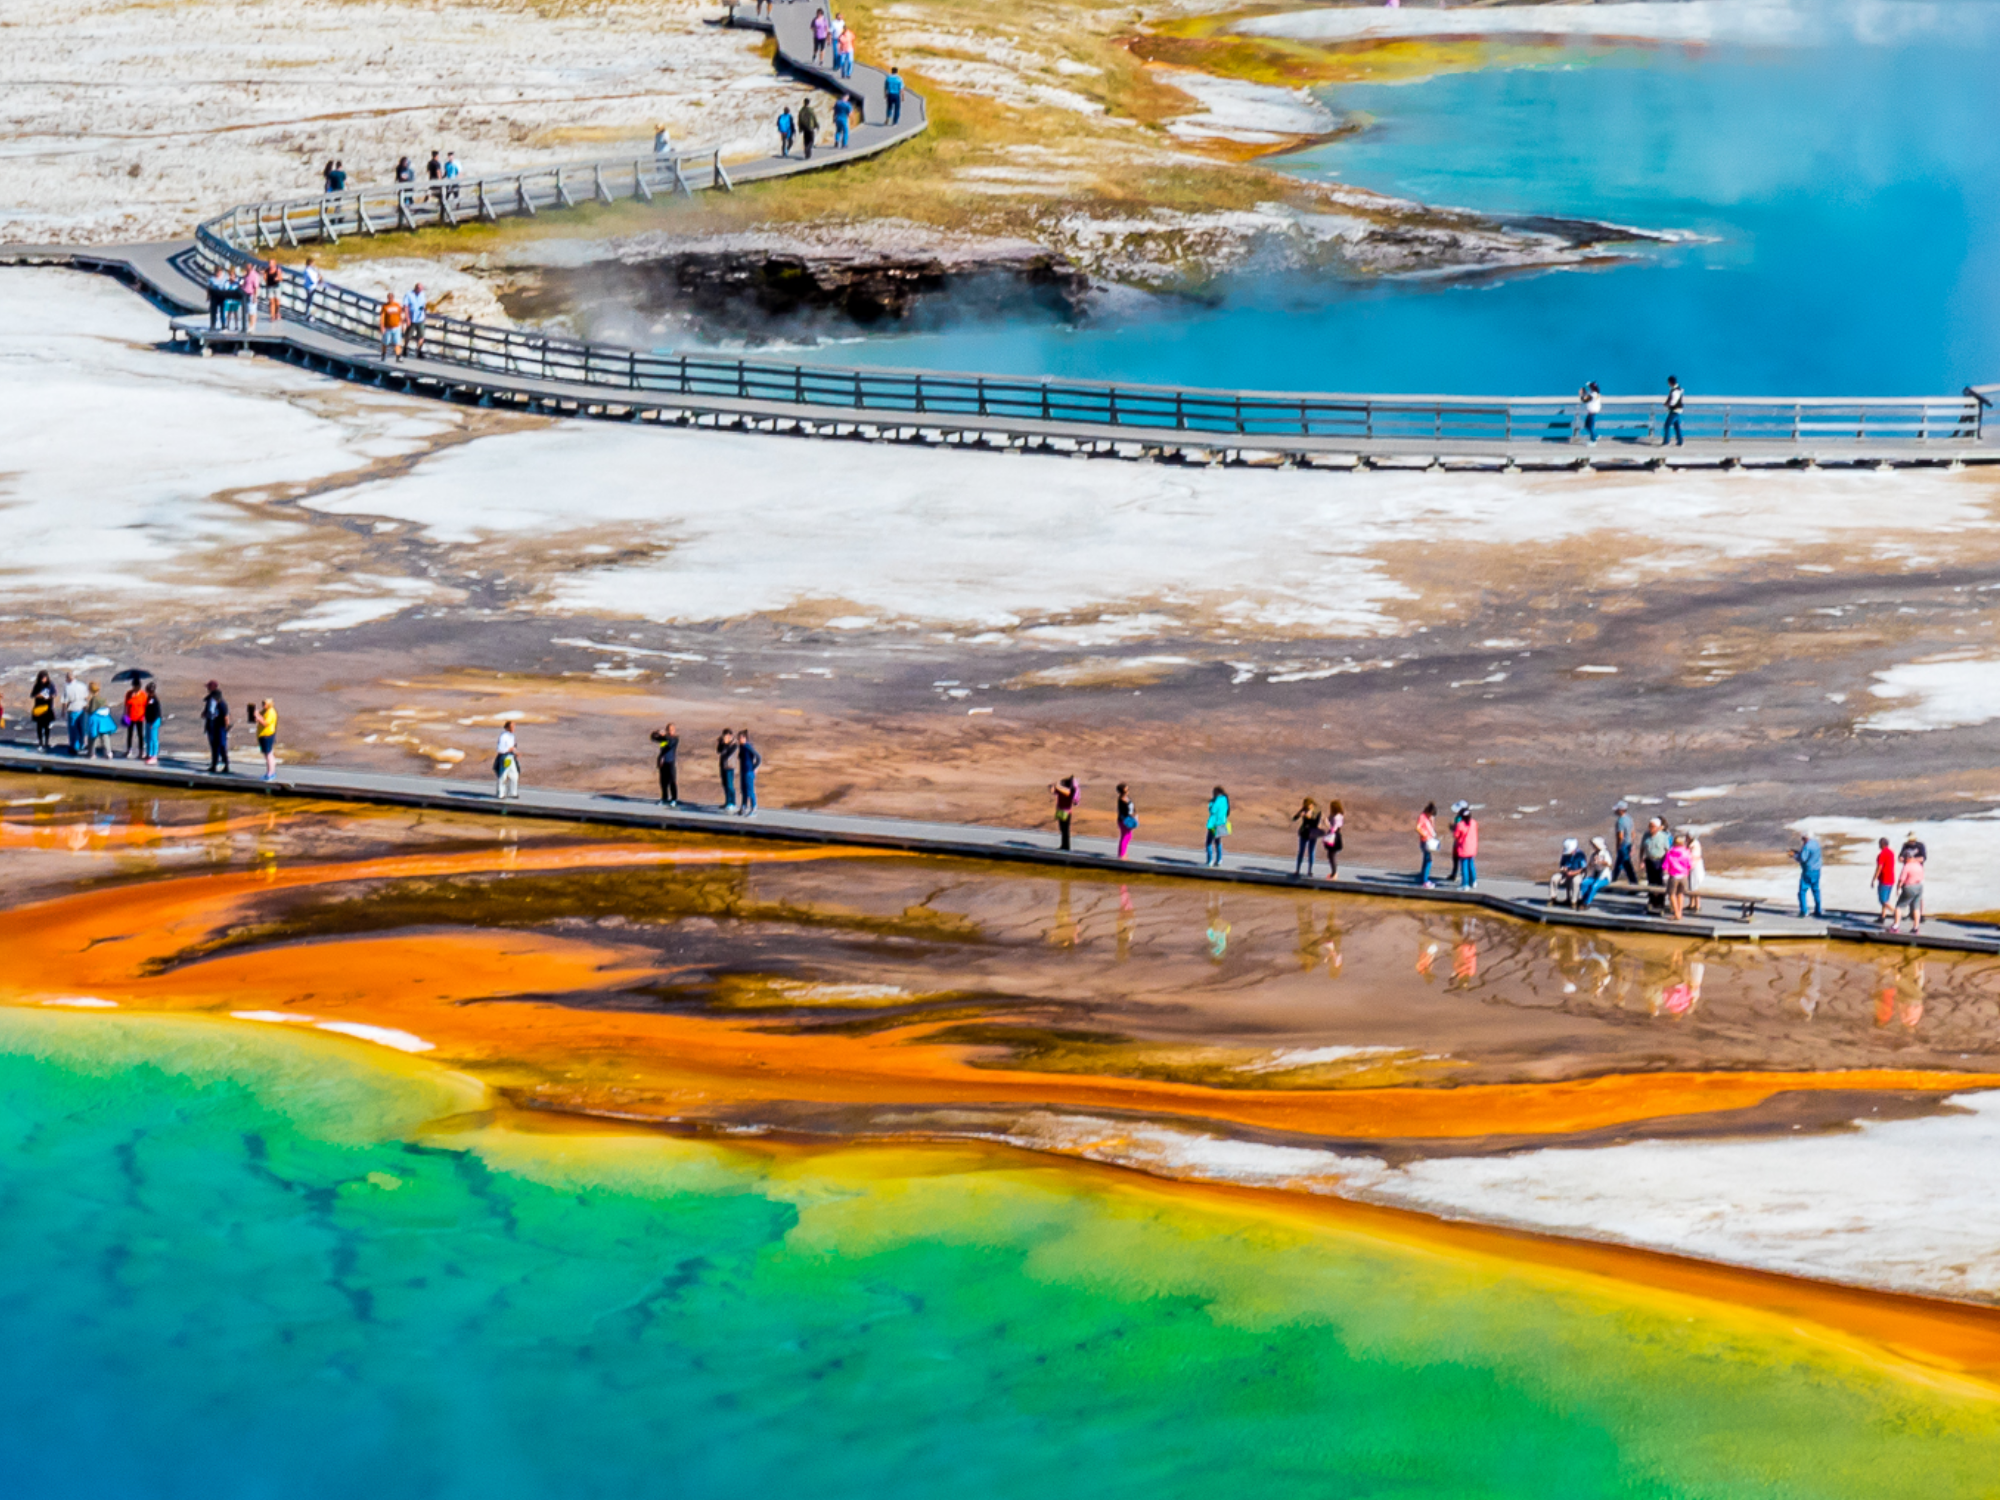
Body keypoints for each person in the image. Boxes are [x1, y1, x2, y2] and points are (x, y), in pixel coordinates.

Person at [1893, 841, 1926, 933]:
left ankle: (1895, 926)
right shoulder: (1919, 865)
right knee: (1916, 907)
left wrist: (1898, 888)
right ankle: (1916, 927)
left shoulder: (1907, 866)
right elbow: (1922, 876)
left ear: (1907, 857)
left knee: (1899, 906)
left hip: (1909, 887)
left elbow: (1902, 879)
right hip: (1919, 886)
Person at [1640, 817, 1670, 912]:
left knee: (1660, 882)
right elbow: (1642, 848)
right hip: (1649, 860)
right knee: (1651, 881)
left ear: (1657, 828)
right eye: (1650, 826)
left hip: (1659, 861)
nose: (1650, 828)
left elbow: (1667, 851)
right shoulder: (1646, 835)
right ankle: (1652, 901)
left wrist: (1667, 864)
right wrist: (1641, 860)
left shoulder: (1663, 836)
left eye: (1652, 827)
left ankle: (1660, 903)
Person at [1793, 831, 1825, 918]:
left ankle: (1804, 911)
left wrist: (1794, 855)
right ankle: (1818, 910)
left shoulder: (1807, 846)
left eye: (1803, 838)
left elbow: (1803, 858)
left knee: (1802, 891)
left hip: (1808, 871)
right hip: (1817, 870)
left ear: (1806, 838)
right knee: (1816, 890)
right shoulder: (1816, 844)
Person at [1662, 834, 1694, 920]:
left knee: (1672, 894)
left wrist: (1666, 871)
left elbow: (1665, 865)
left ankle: (1676, 913)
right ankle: (1680, 912)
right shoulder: (1686, 852)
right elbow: (1690, 864)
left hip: (1674, 876)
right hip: (1684, 876)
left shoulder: (1670, 852)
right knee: (1681, 894)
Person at [201, 681, 231, 772]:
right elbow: (205, 712)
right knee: (215, 746)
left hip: (218, 726)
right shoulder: (212, 699)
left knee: (220, 746)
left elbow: (226, 716)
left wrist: (226, 727)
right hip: (212, 725)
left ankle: (224, 765)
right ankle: (215, 765)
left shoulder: (220, 702)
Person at [1578, 837, 1614, 909]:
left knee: (1594, 886)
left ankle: (1586, 903)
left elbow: (1609, 864)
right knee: (1584, 883)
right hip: (1595, 875)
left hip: (1604, 877)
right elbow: (1589, 865)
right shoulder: (1594, 855)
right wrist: (1592, 863)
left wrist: (1601, 862)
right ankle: (1584, 898)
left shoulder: (1605, 853)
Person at [1291, 797, 1323, 878]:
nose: (1307, 807)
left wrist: (1310, 817)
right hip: (1304, 833)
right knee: (1301, 851)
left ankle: (1310, 871)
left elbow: (1317, 823)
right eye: (1306, 806)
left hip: (1312, 833)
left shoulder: (1317, 811)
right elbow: (1294, 818)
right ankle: (1298, 869)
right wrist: (1299, 815)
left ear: (1312, 804)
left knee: (1311, 852)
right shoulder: (1304, 809)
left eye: (1308, 806)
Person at [1550, 837, 1587, 906]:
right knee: (1554, 878)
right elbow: (1562, 865)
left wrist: (1573, 873)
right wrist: (1564, 869)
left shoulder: (1580, 855)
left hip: (1577, 873)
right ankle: (1553, 898)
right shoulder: (1565, 854)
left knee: (1576, 881)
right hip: (1566, 873)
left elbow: (1583, 868)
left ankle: (1573, 901)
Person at [651, 722, 680, 805]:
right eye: (668, 730)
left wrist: (664, 736)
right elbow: (653, 738)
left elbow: (670, 744)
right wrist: (656, 732)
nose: (670, 731)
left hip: (670, 762)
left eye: (671, 730)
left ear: (674, 730)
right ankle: (664, 798)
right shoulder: (664, 739)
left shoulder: (675, 739)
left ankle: (674, 799)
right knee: (663, 782)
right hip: (663, 763)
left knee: (672, 781)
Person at [1050, 775, 1080, 851]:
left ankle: (1066, 846)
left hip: (1065, 812)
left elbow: (1064, 792)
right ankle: (1064, 844)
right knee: (1062, 829)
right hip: (1060, 810)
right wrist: (1053, 786)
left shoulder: (1068, 791)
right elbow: (1053, 791)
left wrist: (1057, 786)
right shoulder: (1063, 791)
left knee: (1065, 830)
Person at [1611, 801, 1638, 884]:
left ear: (1621, 810)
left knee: (1625, 864)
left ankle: (1633, 882)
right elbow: (1633, 833)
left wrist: (1618, 846)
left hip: (1623, 845)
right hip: (1628, 844)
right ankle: (1613, 879)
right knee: (1620, 864)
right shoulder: (1629, 818)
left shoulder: (1620, 821)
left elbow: (1620, 835)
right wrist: (1632, 844)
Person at [84, 682, 114, 758]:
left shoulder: (93, 699)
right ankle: (108, 752)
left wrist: (86, 709)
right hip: (104, 719)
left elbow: (91, 710)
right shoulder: (103, 699)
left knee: (93, 736)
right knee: (105, 736)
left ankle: (92, 753)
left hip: (96, 719)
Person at [62, 671, 89, 753]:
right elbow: (87, 697)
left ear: (68, 678)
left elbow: (65, 701)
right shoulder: (82, 685)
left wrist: (63, 711)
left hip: (73, 709)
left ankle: (74, 746)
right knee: (82, 728)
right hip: (82, 708)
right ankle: (82, 745)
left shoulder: (67, 687)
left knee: (73, 729)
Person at [252, 698, 279, 780]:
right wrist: (255, 715)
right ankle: (270, 772)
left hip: (267, 736)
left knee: (268, 754)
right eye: (263, 703)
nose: (263, 705)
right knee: (267, 754)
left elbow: (265, 723)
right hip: (262, 735)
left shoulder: (271, 712)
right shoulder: (264, 711)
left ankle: (270, 773)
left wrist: (258, 716)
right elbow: (259, 719)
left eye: (265, 704)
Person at [1413, 800, 1438, 888]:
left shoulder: (1428, 818)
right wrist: (1425, 834)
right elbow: (1418, 827)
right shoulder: (1422, 817)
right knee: (1428, 861)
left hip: (1428, 841)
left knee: (1425, 859)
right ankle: (1425, 881)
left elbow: (1431, 828)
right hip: (1425, 841)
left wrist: (1432, 821)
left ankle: (1423, 877)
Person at [1204, 787, 1230, 867]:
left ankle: (1210, 860)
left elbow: (1212, 810)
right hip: (1222, 823)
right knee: (1218, 842)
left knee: (1208, 842)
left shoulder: (1217, 800)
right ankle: (1219, 860)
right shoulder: (1225, 800)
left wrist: (1211, 803)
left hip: (1214, 824)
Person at [495, 722, 522, 800]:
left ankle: (513, 792)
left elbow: (512, 747)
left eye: (514, 727)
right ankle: (501, 793)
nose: (513, 728)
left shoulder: (512, 736)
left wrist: (515, 752)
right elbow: (500, 749)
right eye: (512, 727)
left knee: (514, 774)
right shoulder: (503, 736)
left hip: (511, 757)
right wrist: (509, 749)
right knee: (503, 775)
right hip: (505, 757)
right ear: (507, 727)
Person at [1873, 836, 1897, 924]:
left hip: (1884, 879)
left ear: (1882, 845)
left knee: (1883, 900)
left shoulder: (1882, 854)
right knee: (1886, 899)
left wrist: (1874, 879)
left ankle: (1895, 912)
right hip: (1891, 878)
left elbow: (1879, 867)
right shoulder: (1891, 852)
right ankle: (1882, 916)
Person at [1454, 807, 1479, 889]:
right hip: (1472, 847)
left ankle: (1465, 884)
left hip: (1463, 848)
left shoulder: (1460, 825)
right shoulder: (1474, 822)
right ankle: (1473, 881)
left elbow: (1456, 836)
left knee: (1464, 866)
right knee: (1471, 865)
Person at [736, 731, 761, 814]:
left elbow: (758, 757)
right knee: (743, 790)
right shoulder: (742, 747)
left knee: (750, 790)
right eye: (738, 738)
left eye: (740, 738)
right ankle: (744, 806)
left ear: (744, 738)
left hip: (749, 772)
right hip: (743, 771)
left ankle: (754, 807)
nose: (738, 740)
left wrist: (754, 767)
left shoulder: (748, 747)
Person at [121, 681, 148, 758]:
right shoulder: (129, 694)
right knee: (130, 734)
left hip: (140, 717)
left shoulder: (143, 695)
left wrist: (145, 716)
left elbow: (145, 706)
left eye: (137, 687)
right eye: (134, 687)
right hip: (130, 717)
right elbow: (126, 704)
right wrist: (125, 714)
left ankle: (141, 751)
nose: (135, 688)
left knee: (140, 735)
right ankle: (129, 750)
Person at [30, 670, 55, 751]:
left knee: (47, 726)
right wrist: (39, 695)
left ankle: (46, 742)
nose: (44, 679)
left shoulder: (50, 685)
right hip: (39, 708)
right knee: (39, 726)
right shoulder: (37, 686)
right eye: (42, 678)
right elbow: (32, 695)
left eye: (45, 677)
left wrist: (50, 696)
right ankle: (40, 742)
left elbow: (54, 694)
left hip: (48, 707)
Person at [1322, 798, 1346, 879]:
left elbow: (1334, 828)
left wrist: (1326, 823)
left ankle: (1334, 873)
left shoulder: (1337, 816)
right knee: (1330, 854)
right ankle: (1333, 872)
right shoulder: (1334, 815)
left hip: (1334, 836)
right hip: (1333, 835)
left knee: (1332, 855)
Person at [402, 283, 427, 358]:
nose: (420, 290)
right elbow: (405, 307)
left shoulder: (422, 294)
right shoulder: (409, 294)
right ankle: (405, 348)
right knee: (408, 336)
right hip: (412, 319)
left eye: (421, 288)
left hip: (420, 319)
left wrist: (424, 314)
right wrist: (407, 318)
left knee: (421, 336)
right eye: (419, 288)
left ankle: (419, 351)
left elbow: (424, 305)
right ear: (415, 288)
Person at [717, 728, 738, 810]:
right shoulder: (723, 743)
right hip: (723, 766)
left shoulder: (734, 744)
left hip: (730, 767)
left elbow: (727, 754)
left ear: (730, 736)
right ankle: (727, 802)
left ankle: (732, 802)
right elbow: (719, 751)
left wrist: (725, 744)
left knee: (730, 785)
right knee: (725, 785)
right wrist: (720, 743)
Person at [142, 680, 163, 763]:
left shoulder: (154, 700)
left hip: (154, 721)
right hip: (149, 720)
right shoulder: (149, 699)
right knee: (147, 738)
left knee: (153, 739)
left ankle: (154, 755)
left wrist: (153, 722)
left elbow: (156, 712)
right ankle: (149, 753)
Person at [379, 293, 404, 360]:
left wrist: (402, 325)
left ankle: (398, 356)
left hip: (396, 327)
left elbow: (400, 315)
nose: (390, 299)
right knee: (386, 342)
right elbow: (382, 317)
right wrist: (382, 326)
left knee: (397, 342)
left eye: (391, 298)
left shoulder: (397, 305)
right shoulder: (385, 306)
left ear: (393, 298)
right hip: (388, 327)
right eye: (389, 298)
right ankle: (383, 354)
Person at [1116, 783, 1137, 860]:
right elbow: (1125, 811)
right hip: (1124, 821)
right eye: (1126, 790)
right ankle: (1121, 855)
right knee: (1125, 837)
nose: (1128, 791)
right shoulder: (1121, 800)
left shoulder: (1126, 798)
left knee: (1128, 836)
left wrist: (1134, 813)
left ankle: (1123, 852)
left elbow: (1132, 807)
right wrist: (1131, 815)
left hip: (1129, 819)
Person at [1663, 375, 1685, 447]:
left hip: (1674, 411)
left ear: (1670, 382)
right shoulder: (1678, 389)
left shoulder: (1675, 391)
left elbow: (1673, 402)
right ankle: (1680, 441)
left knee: (1667, 425)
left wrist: (1667, 404)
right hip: (1678, 411)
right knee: (1677, 427)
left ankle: (1666, 441)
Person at [1579, 380, 1602, 445]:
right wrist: (1584, 392)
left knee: (1590, 426)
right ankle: (1595, 435)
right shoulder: (1596, 394)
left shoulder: (1593, 395)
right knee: (1587, 426)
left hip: (1592, 413)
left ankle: (1593, 440)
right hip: (1592, 412)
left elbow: (1585, 400)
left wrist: (1581, 394)